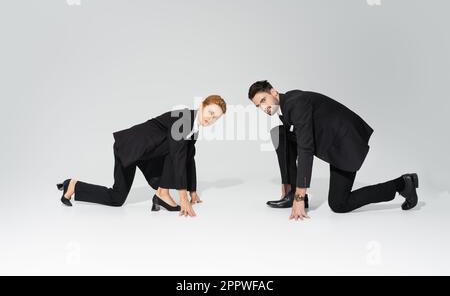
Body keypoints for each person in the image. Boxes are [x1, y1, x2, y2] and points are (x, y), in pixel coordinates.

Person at [248, 80, 419, 220]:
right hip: (334, 142)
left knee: (339, 204)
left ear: (273, 92)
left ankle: (403, 184)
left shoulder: (296, 104)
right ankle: (290, 193)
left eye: (263, 100)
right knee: (280, 134)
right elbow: (295, 147)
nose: (263, 108)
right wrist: (289, 188)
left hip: (346, 144)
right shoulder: (286, 108)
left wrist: (300, 196)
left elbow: (305, 148)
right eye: (258, 106)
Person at [56, 95, 227, 217]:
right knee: (117, 198)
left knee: (182, 151)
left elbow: (189, 158)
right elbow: (178, 157)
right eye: (211, 113)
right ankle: (73, 185)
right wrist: (183, 198)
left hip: (146, 154)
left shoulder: (193, 129)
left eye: (216, 118)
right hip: (130, 147)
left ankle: (162, 194)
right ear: (202, 106)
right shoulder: (184, 118)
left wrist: (193, 191)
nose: (211, 119)